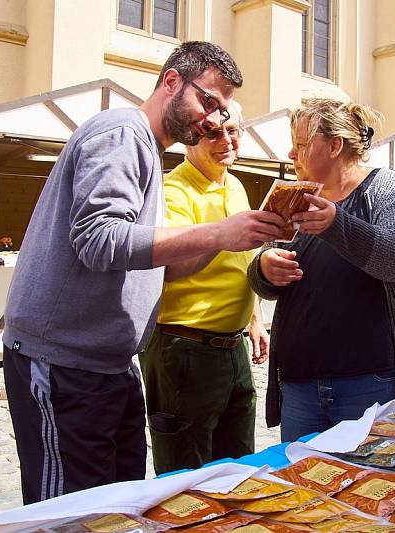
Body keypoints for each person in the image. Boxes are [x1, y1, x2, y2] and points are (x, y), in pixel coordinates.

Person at [2, 42, 285, 504]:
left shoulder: (149, 150)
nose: (215, 120)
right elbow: (98, 240)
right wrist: (216, 234)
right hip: (63, 363)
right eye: (208, 102)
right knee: (72, 513)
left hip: (109, 365)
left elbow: (159, 266)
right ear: (171, 82)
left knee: (120, 507)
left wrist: (237, 240)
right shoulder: (122, 132)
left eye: (223, 109)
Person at [247, 99, 395, 442]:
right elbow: (265, 274)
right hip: (300, 385)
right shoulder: (296, 196)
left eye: (301, 144)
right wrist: (263, 268)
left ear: (334, 145)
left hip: (370, 382)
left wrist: (337, 224)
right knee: (302, 487)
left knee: (369, 486)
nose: (291, 154)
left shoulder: (389, 188)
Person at [139, 102, 268, 473]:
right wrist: (222, 236)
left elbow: (243, 263)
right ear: (189, 137)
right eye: (213, 133)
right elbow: (168, 268)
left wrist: (254, 320)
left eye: (233, 131)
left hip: (232, 347)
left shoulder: (237, 184)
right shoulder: (171, 191)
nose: (226, 141)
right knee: (186, 477)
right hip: (185, 348)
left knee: (240, 468)